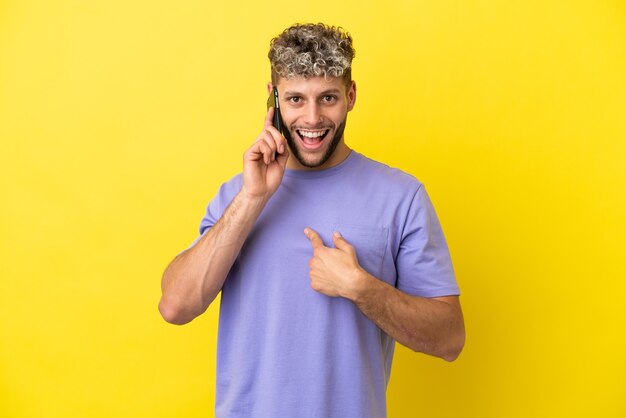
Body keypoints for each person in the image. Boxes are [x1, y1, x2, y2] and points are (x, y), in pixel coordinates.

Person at [159, 23, 465, 418]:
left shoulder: (402, 197)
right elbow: (175, 306)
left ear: (350, 96)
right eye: (296, 99)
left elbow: (450, 340)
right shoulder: (238, 194)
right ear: (273, 100)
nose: (312, 118)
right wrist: (253, 198)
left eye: (328, 98)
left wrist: (362, 288)